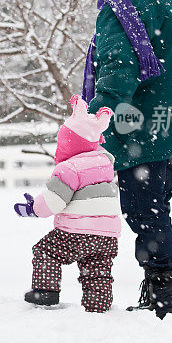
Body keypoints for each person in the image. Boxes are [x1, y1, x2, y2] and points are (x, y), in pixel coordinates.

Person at [77, 0, 172, 318]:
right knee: (156, 206)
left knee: (143, 210)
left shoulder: (121, 4)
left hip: (143, 126)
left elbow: (119, 72)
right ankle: (163, 291)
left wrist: (94, 119)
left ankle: (165, 299)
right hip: (171, 122)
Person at [14, 95, 120, 313]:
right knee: (97, 269)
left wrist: (33, 208)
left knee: (45, 251)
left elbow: (54, 200)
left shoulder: (69, 168)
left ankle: (45, 293)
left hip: (76, 233)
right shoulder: (105, 166)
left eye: (63, 142)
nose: (59, 147)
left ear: (72, 143)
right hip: (108, 236)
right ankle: (98, 305)